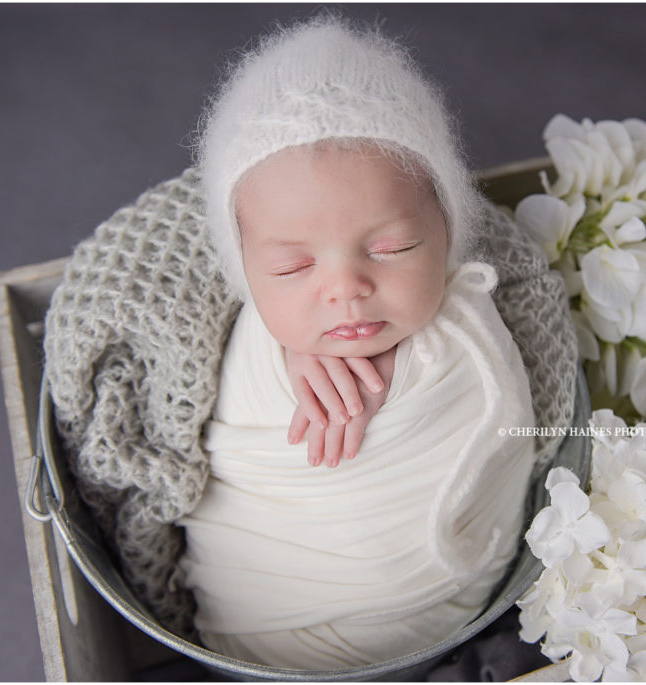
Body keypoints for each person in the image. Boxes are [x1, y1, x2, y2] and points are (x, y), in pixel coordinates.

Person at [173, 16, 538, 668]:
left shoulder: (472, 328)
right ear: (247, 275)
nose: (346, 289)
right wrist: (282, 352)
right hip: (252, 643)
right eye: (292, 267)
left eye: (392, 248)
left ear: (448, 228)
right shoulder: (245, 345)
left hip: (446, 622)